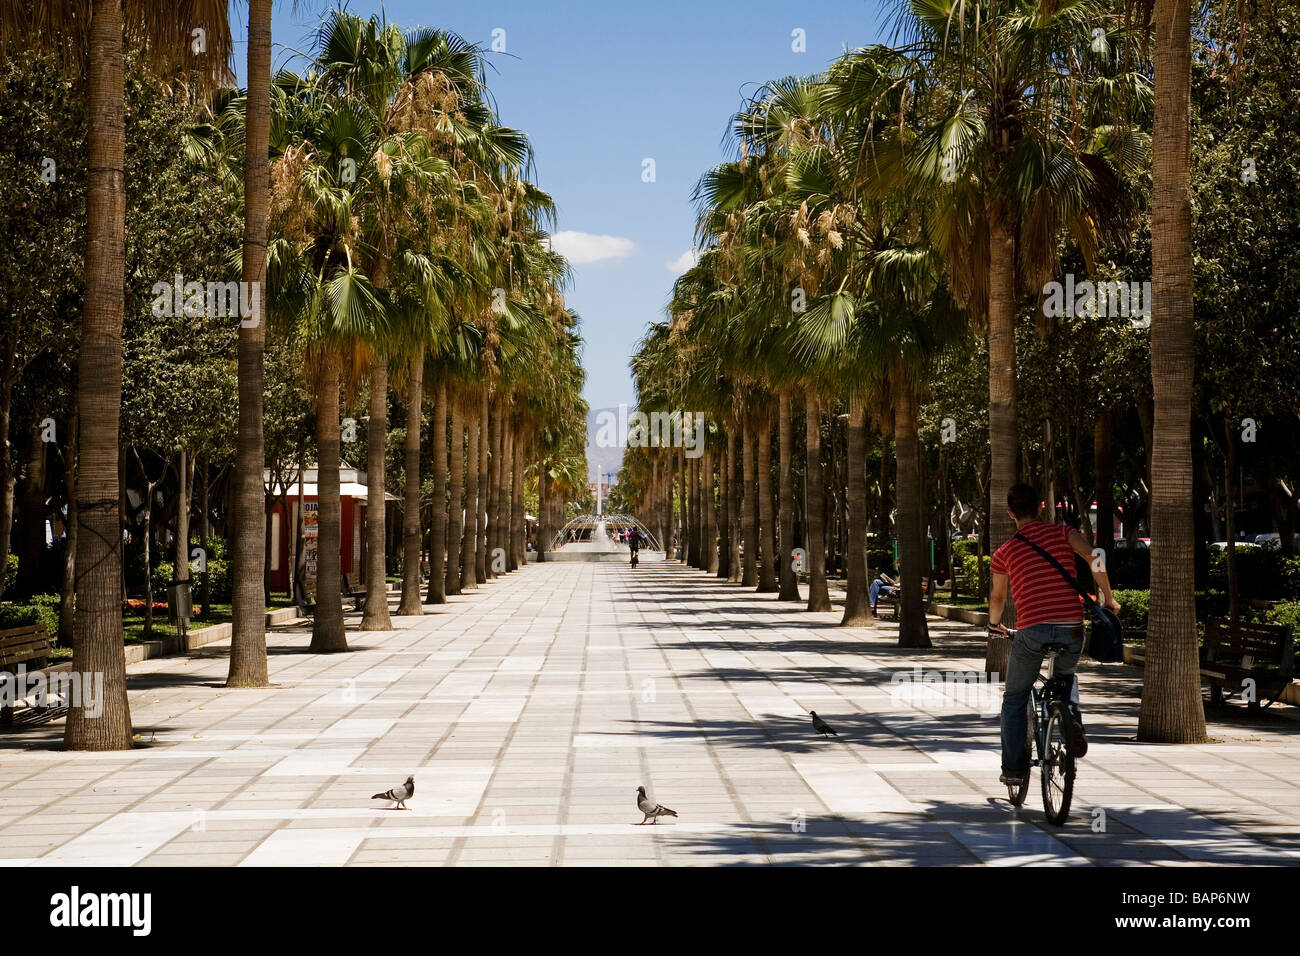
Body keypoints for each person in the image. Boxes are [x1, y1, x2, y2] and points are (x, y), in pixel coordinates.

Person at [989, 482, 1119, 787]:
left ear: (1010, 513)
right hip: (1071, 627)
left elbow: (997, 598)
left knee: (1015, 698)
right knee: (1065, 677)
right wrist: (1108, 598)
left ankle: (1014, 770)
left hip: (1032, 629)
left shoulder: (1004, 552)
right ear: (1041, 507)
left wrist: (994, 625)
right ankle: (1070, 718)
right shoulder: (1063, 533)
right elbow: (1095, 556)